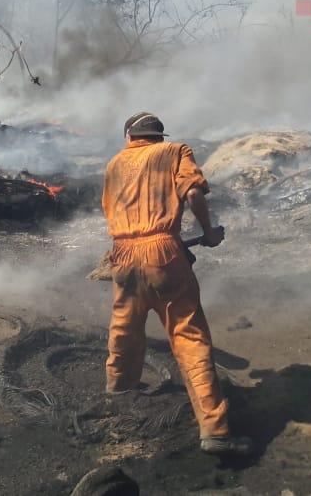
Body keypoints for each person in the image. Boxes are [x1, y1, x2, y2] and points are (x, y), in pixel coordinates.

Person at [101, 111, 253, 456]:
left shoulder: (113, 165)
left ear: (129, 138)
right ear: (159, 137)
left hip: (122, 257)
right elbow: (194, 193)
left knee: (124, 329)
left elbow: (113, 211)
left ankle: (118, 396)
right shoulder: (175, 151)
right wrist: (208, 232)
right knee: (189, 337)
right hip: (165, 255)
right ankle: (215, 432)